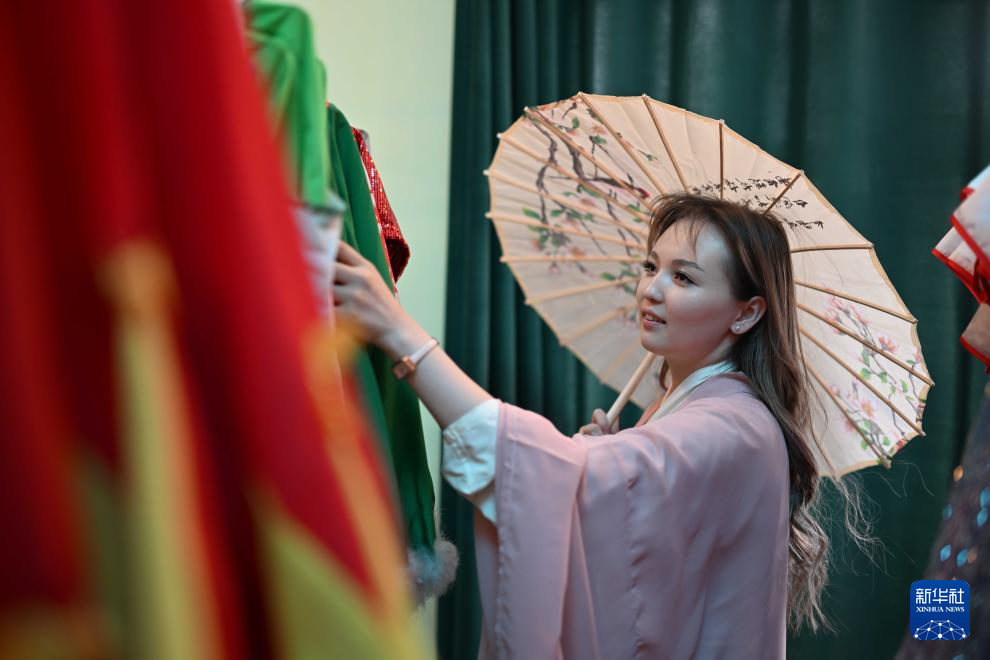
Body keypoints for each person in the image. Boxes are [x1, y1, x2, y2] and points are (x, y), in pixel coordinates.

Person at [332, 193, 844, 659]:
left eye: (683, 278)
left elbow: (539, 473)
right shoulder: (693, 405)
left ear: (746, 314)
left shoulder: (735, 428)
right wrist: (603, 473)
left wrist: (402, 337)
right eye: (651, 266)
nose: (651, 289)